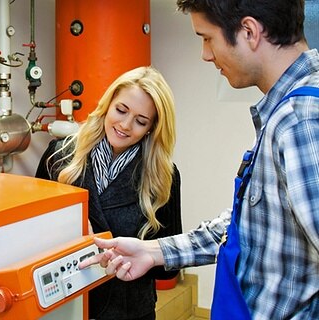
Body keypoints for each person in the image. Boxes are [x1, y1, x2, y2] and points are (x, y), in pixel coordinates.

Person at [79, 1, 319, 319]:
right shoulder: (283, 114)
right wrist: (153, 251)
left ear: (249, 32)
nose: (206, 54)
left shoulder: (301, 120)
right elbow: (242, 227)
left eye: (207, 38)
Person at [35, 66, 183, 320]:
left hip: (128, 310)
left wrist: (135, 255)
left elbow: (169, 267)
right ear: (107, 104)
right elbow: (31, 230)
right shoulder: (58, 156)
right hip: (64, 305)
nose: (125, 125)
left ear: (152, 128)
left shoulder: (162, 176)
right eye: (121, 110)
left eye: (140, 121)